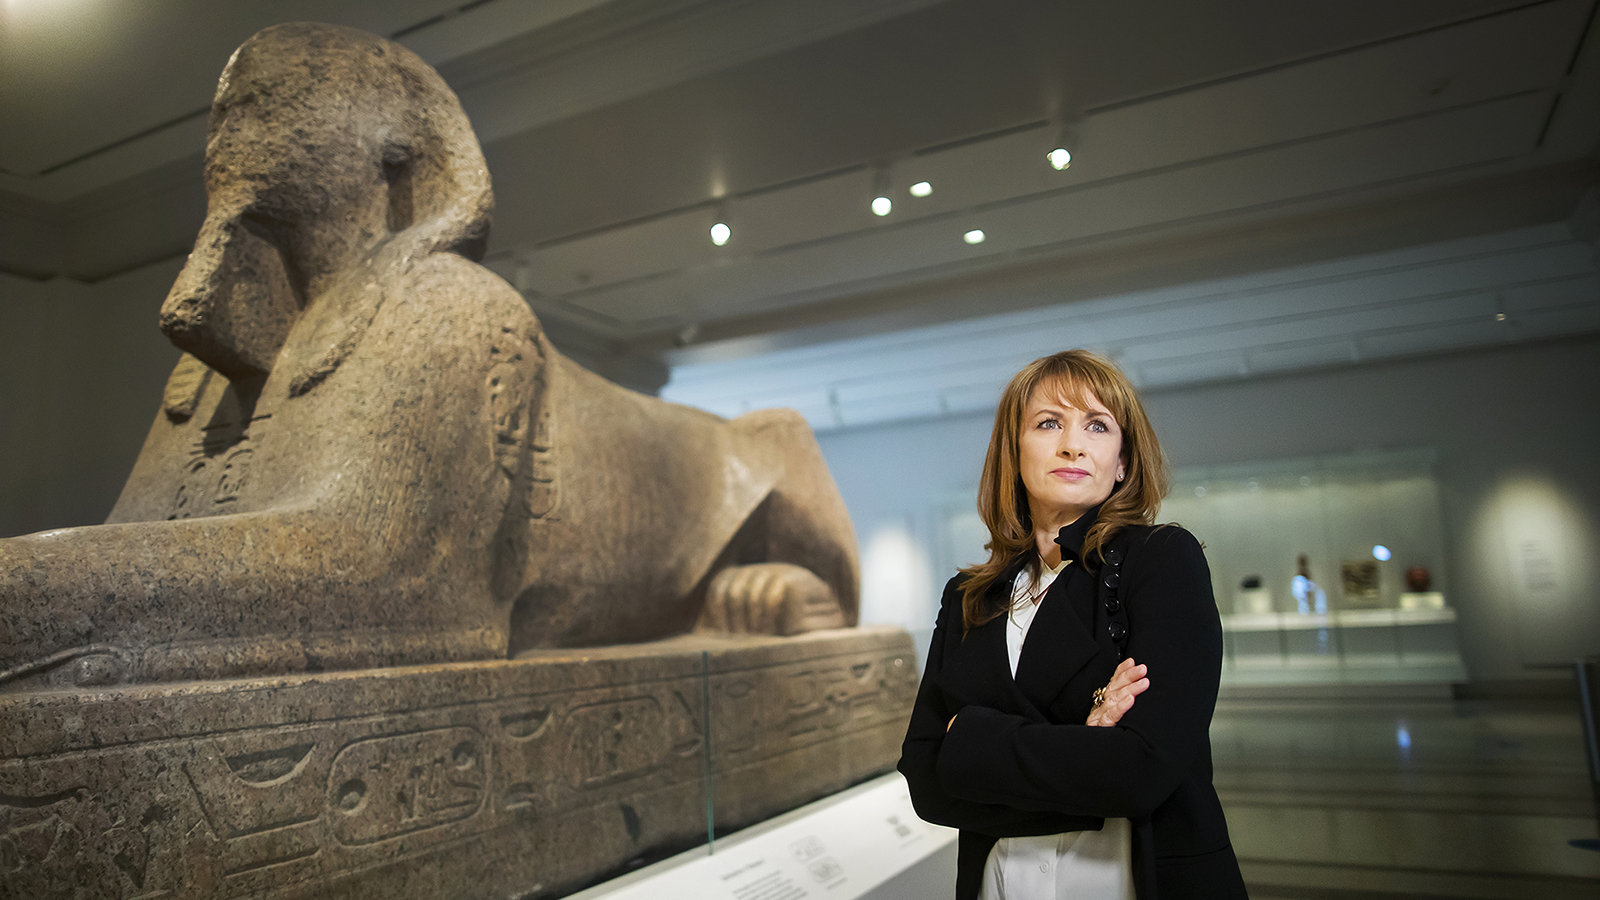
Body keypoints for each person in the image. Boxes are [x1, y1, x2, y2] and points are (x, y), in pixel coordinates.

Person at [898, 350, 1248, 899]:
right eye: (1048, 423)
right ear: (1013, 452)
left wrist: (967, 743)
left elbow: (1142, 771)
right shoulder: (969, 595)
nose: (1073, 444)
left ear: (1124, 461)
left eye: (1097, 425)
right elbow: (925, 778)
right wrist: (1082, 740)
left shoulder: (1161, 559)